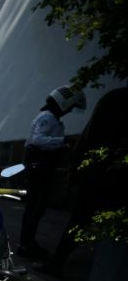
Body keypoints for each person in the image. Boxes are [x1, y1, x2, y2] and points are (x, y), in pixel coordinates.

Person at [41, 86, 128, 275]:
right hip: (105, 172)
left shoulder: (114, 98)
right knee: (83, 219)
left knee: (81, 219)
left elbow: (88, 137)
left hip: (98, 171)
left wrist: (75, 165)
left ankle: (60, 262)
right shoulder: (116, 99)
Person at [18, 85, 86, 259]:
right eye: (70, 107)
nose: (69, 110)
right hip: (39, 167)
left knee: (37, 207)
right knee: (35, 206)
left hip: (42, 167)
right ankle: (26, 245)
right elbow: (37, 139)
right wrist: (63, 141)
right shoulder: (47, 117)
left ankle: (28, 243)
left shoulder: (52, 118)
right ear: (63, 103)